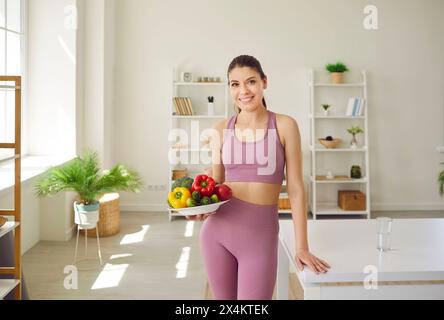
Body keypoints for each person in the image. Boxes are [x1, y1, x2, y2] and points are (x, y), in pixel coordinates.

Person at [186, 55, 330, 300]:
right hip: (216, 235)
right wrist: (198, 207)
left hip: (260, 238)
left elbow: (295, 188)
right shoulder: (220, 129)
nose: (243, 90)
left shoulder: (284, 125)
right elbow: (216, 186)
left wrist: (301, 246)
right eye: (235, 84)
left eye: (251, 82)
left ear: (264, 82)